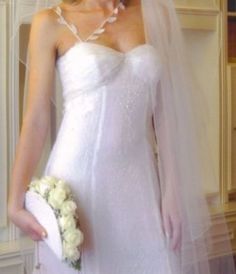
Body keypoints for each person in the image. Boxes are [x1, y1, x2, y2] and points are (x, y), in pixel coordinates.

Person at [7, 0, 236, 273]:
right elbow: (36, 119)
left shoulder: (156, 15)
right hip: (78, 187)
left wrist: (172, 190)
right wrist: (14, 203)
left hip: (140, 186)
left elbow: (164, 111)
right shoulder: (51, 22)